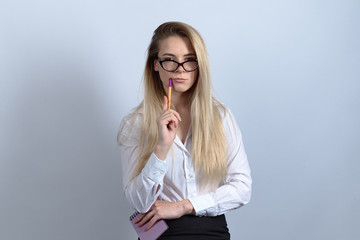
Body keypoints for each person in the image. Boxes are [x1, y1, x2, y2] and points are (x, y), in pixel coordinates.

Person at [118, 21, 252, 240]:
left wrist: (184, 206)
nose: (180, 69)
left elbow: (242, 188)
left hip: (211, 232)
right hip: (162, 235)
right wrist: (161, 147)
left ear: (199, 65)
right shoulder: (135, 124)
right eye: (170, 60)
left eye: (189, 60)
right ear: (155, 64)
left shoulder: (221, 117)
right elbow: (140, 202)